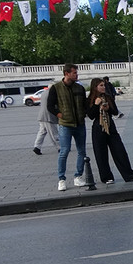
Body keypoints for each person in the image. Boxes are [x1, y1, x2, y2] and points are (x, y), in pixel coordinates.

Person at [86, 78, 133, 184]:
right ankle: (106, 177)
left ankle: (129, 175)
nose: (103, 87)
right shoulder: (90, 99)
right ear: (95, 87)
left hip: (110, 127)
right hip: (98, 128)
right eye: (101, 85)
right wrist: (96, 105)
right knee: (101, 154)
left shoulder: (108, 97)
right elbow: (90, 115)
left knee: (119, 151)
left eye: (103, 85)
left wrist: (108, 109)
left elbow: (115, 111)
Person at [46, 63, 88, 192]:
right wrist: (60, 115)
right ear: (66, 74)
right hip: (65, 124)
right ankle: (61, 179)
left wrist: (84, 113)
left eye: (76, 72)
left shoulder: (79, 88)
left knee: (82, 151)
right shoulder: (56, 88)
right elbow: (50, 106)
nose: (77, 75)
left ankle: (78, 176)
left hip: (80, 123)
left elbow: (84, 103)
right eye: (74, 72)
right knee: (64, 151)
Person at [33, 88, 60, 155]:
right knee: (54, 133)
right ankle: (60, 147)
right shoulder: (52, 94)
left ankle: (37, 146)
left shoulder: (44, 93)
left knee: (42, 132)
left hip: (42, 115)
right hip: (49, 116)